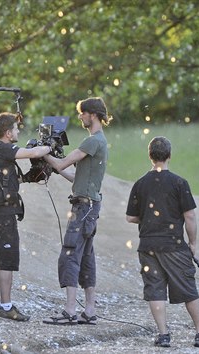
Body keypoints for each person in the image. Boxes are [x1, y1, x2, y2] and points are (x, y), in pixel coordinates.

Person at [125, 136, 199, 348]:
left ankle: (163, 334)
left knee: (155, 289)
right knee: (187, 288)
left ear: (150, 156)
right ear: (169, 155)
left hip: (147, 246)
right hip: (174, 245)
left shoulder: (140, 184)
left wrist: (150, 218)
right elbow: (190, 217)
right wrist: (192, 243)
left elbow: (130, 217)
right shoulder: (179, 183)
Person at [41, 97, 110, 325]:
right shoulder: (100, 141)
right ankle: (89, 310)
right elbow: (73, 175)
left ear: (93, 114)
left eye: (82, 113)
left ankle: (70, 310)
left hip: (83, 208)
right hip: (91, 206)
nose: (80, 117)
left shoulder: (92, 142)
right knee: (87, 257)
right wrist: (54, 164)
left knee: (69, 254)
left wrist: (44, 154)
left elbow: (62, 164)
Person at [0, 112, 53, 322]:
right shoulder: (3, 148)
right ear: (7, 132)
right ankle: (6, 306)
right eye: (16, 128)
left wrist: (34, 175)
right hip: (3, 212)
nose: (18, 131)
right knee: (7, 261)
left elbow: (13, 179)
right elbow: (32, 153)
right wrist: (48, 147)